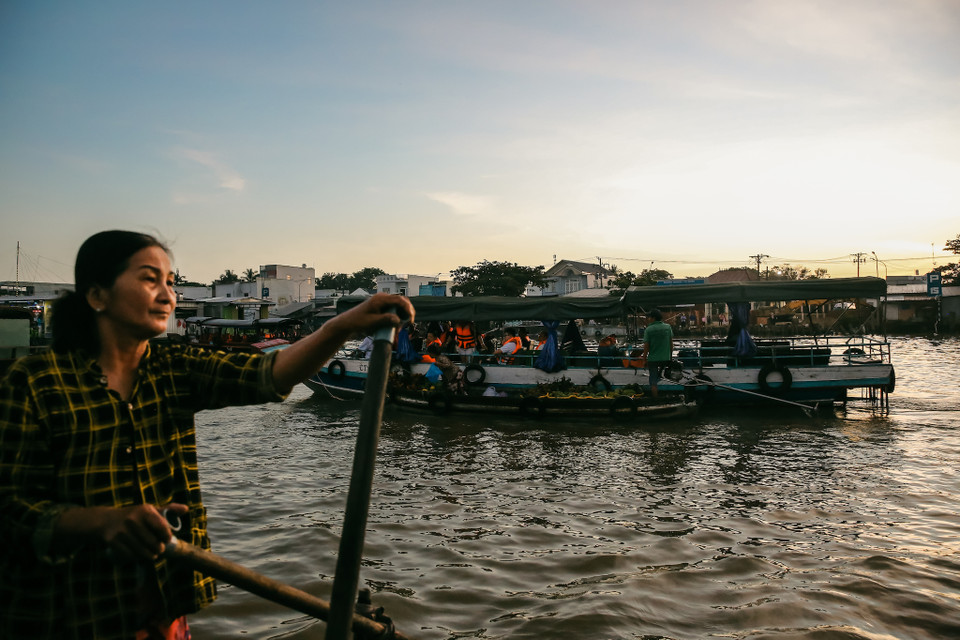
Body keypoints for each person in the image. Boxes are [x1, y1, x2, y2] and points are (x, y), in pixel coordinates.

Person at [0, 230, 414, 640]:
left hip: (162, 608)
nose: (168, 294)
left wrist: (343, 325)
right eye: (149, 279)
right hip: (66, 612)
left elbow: (267, 375)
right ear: (97, 295)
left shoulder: (174, 368)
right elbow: (11, 508)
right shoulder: (35, 382)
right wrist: (100, 522)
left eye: (171, 282)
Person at [641, 308, 673, 398]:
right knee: (661, 375)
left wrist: (644, 360)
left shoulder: (648, 329)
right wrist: (670, 357)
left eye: (649, 317)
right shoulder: (667, 327)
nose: (648, 319)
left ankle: (655, 399)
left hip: (653, 360)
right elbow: (671, 345)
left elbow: (646, 347)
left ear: (653, 318)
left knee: (653, 381)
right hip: (666, 359)